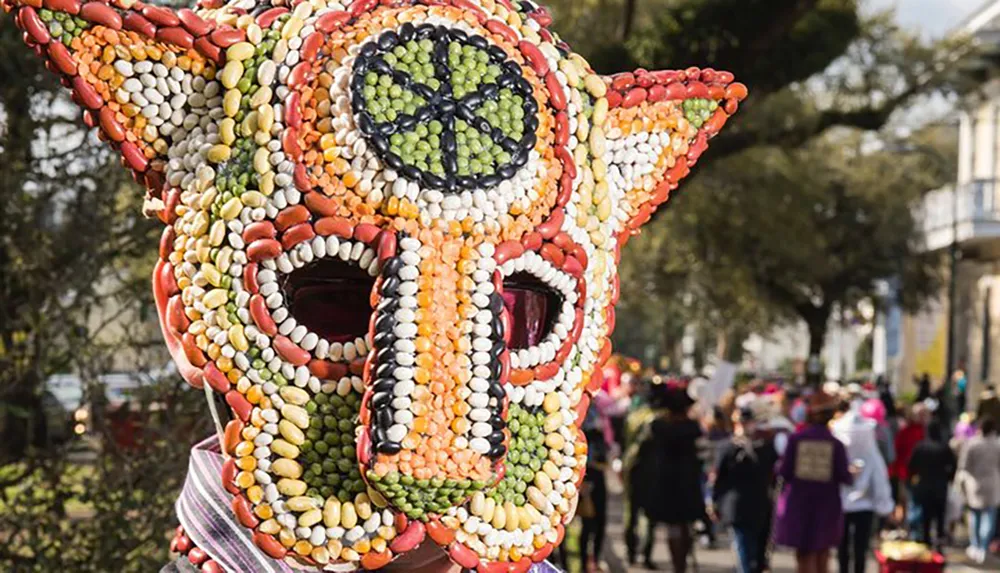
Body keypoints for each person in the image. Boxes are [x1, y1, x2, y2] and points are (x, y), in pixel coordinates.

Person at [630, 381, 705, 571]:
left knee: (674, 528)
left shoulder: (658, 427)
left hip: (666, 484)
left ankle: (677, 565)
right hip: (687, 483)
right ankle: (681, 564)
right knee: (685, 526)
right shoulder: (692, 428)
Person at [774, 391, 852, 573]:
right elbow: (845, 476)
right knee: (822, 554)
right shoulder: (836, 444)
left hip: (800, 505)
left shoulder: (796, 440)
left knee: (803, 554)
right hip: (826, 506)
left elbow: (784, 472)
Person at [712, 407, 777, 573]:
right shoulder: (729, 448)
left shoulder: (764, 447)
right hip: (743, 507)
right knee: (746, 551)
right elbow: (718, 479)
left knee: (754, 553)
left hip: (756, 506)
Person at [832, 400, 894, 573]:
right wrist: (885, 507)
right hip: (864, 506)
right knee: (860, 547)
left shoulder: (841, 450)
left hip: (843, 505)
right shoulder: (870, 451)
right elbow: (880, 481)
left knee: (843, 546)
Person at [579, 391, 619, 573]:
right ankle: (585, 564)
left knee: (599, 520)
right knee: (589, 521)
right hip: (587, 473)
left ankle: (593, 559)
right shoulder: (581, 410)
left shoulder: (598, 410)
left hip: (598, 470)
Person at [956, 418, 1000, 563]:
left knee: (975, 516)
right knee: (989, 517)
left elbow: (964, 465)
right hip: (993, 484)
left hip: (974, 484)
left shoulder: (972, 444)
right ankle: (983, 546)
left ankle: (975, 545)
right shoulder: (997, 444)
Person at [907, 422, 956, 549]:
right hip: (940, 487)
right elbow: (953, 466)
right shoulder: (944, 447)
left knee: (925, 517)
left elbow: (911, 466)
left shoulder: (920, 447)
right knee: (940, 517)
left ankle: (926, 543)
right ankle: (939, 543)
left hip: (924, 486)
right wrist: (948, 478)